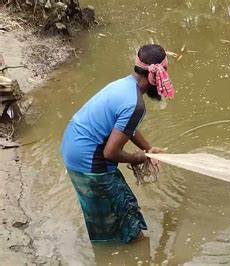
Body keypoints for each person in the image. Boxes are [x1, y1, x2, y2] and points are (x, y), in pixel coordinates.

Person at [60, 44, 175, 243]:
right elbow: (110, 152)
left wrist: (147, 149)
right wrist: (138, 158)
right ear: (156, 76)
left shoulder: (123, 85)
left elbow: (123, 128)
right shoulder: (135, 104)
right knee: (126, 224)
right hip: (90, 161)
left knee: (104, 215)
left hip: (72, 149)